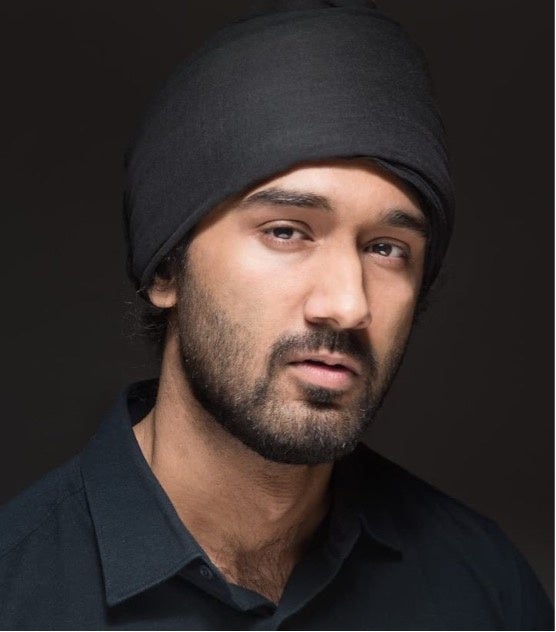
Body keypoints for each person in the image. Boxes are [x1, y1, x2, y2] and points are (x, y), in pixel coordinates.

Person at [0, 0, 552, 629]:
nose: (348, 305)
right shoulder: (17, 594)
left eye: (386, 249)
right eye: (287, 232)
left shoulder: (484, 588)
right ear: (166, 271)